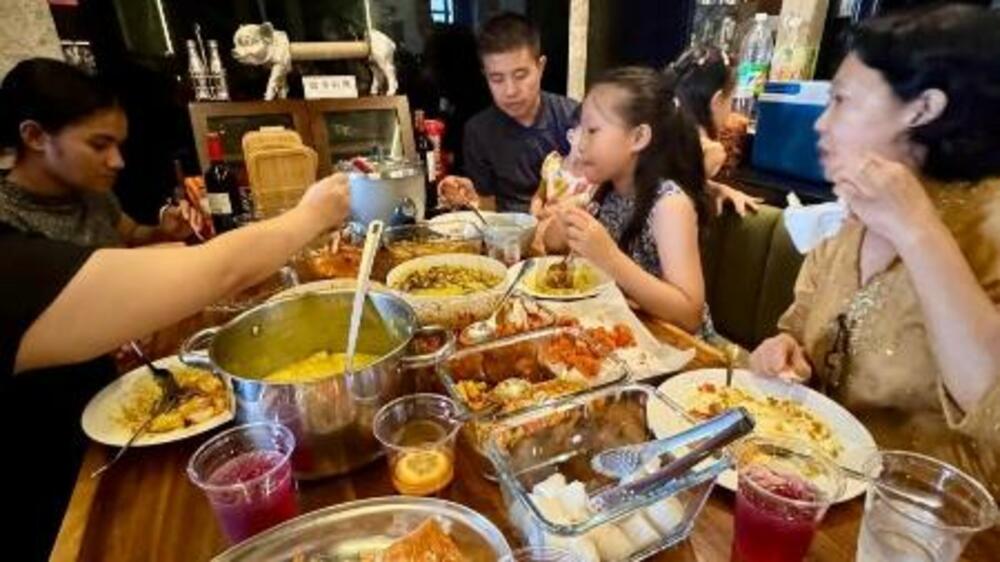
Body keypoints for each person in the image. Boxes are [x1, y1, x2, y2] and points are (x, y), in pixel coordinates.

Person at [2, 173, 349, 560]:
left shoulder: (88, 198)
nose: (117, 162)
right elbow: (221, 271)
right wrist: (310, 215)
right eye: (99, 145)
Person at [748, 4, 1000, 494]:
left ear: (922, 108)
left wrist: (917, 229)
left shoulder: (987, 224)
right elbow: (795, 332)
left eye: (841, 100)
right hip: (815, 487)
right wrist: (784, 353)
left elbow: (991, 409)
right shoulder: (851, 217)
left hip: (929, 515)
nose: (821, 124)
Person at [544, 67, 710, 334]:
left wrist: (610, 258)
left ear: (638, 137)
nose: (580, 145)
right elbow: (552, 245)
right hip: (620, 329)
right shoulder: (605, 187)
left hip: (673, 344)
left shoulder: (669, 204)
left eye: (593, 130)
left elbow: (689, 315)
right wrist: (562, 225)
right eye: (580, 130)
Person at [0, 58, 197, 248]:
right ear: (35, 136)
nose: (117, 162)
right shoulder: (8, 219)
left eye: (117, 146)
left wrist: (163, 232)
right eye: (99, 145)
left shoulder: (90, 189)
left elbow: (131, 233)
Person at [436, 12, 579, 213]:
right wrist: (471, 198)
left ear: (540, 67)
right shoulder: (478, 131)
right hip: (508, 229)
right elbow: (488, 208)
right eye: (497, 79)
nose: (510, 91)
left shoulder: (573, 117)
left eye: (520, 75)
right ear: (485, 76)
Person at [663, 45, 762, 217]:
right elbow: (667, 200)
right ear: (716, 101)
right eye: (730, 100)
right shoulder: (711, 153)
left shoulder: (658, 131)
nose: (731, 110)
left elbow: (666, 182)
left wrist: (713, 187)